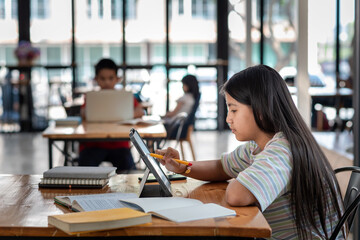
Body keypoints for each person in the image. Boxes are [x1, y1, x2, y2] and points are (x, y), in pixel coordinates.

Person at [155, 65, 345, 239]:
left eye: (234, 110)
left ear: (260, 110)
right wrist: (182, 167)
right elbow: (221, 166)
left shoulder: (282, 149)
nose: (229, 119)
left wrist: (243, 177)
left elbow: (237, 195)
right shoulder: (257, 146)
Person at [78, 58, 144, 172]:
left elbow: (140, 111)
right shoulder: (92, 96)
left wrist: (125, 114)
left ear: (117, 79)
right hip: (93, 144)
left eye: (110, 78)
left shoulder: (124, 96)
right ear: (96, 79)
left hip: (119, 145)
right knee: (85, 172)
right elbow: (83, 113)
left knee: (128, 172)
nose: (107, 82)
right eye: (102, 79)